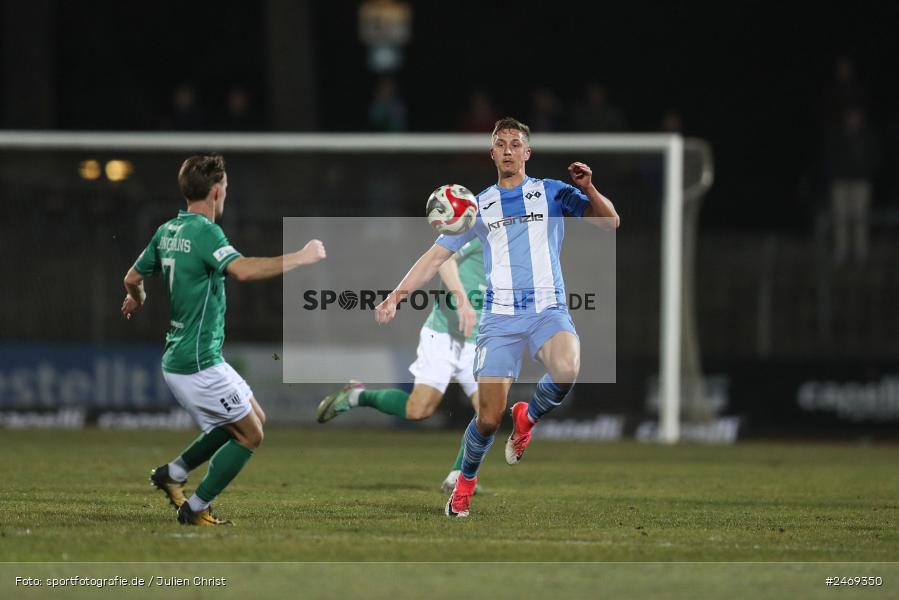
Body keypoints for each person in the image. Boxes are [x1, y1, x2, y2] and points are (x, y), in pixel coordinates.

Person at [374, 117, 619, 517]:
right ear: (491, 153)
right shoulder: (477, 207)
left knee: (567, 368)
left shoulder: (552, 192)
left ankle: (528, 416)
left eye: (515, 143)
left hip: (547, 310)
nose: (508, 150)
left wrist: (589, 188)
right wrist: (396, 296)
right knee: (487, 419)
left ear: (527, 152)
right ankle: (464, 484)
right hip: (500, 320)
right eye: (501, 144)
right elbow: (435, 257)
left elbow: (610, 222)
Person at [121, 154, 326, 526]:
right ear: (216, 191)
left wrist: (138, 298)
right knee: (250, 434)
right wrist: (300, 257)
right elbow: (242, 271)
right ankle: (196, 508)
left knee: (252, 417)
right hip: (196, 363)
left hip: (191, 356)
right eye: (226, 188)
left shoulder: (167, 230)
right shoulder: (205, 232)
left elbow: (132, 278)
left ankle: (173, 473)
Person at [316, 239, 486, 492]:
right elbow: (443, 259)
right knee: (418, 410)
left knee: (489, 412)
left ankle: (459, 476)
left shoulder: (527, 239)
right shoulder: (483, 226)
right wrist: (461, 299)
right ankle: (356, 396)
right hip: (444, 335)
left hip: (483, 339)